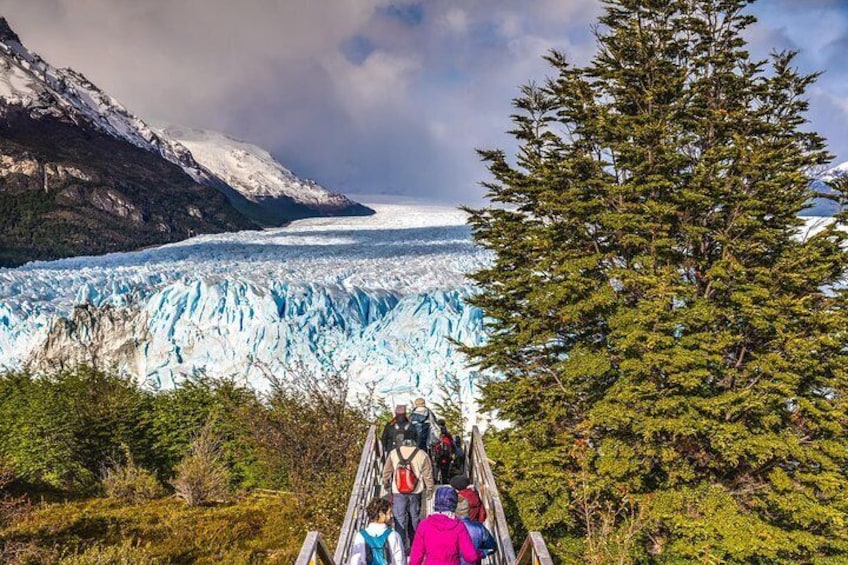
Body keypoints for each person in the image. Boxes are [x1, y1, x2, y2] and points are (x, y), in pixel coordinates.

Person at [382, 428, 434, 551]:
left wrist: (386, 483)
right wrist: (430, 488)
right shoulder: (422, 454)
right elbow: (428, 474)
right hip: (415, 491)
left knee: (399, 518)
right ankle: (415, 546)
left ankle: (401, 546)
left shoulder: (394, 453)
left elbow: (387, 471)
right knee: (414, 517)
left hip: (398, 491)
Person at [409, 486, 480, 565]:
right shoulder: (459, 527)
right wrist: (481, 553)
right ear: (454, 504)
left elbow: (415, 558)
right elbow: (470, 556)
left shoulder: (424, 525)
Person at [348, 498, 405, 565]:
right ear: (381, 514)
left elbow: (355, 561)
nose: (392, 515)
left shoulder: (360, 536)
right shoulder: (394, 535)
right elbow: (400, 561)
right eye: (389, 512)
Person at [456, 498, 496, 565]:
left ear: (455, 511)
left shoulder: (448, 528)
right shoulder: (479, 528)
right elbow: (492, 547)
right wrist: (481, 552)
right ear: (469, 510)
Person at [433, 419, 456, 484]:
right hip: (447, 455)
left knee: (437, 466)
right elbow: (453, 444)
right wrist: (453, 453)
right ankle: (445, 481)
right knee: (445, 469)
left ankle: (436, 480)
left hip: (438, 454)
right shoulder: (448, 434)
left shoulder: (436, 433)